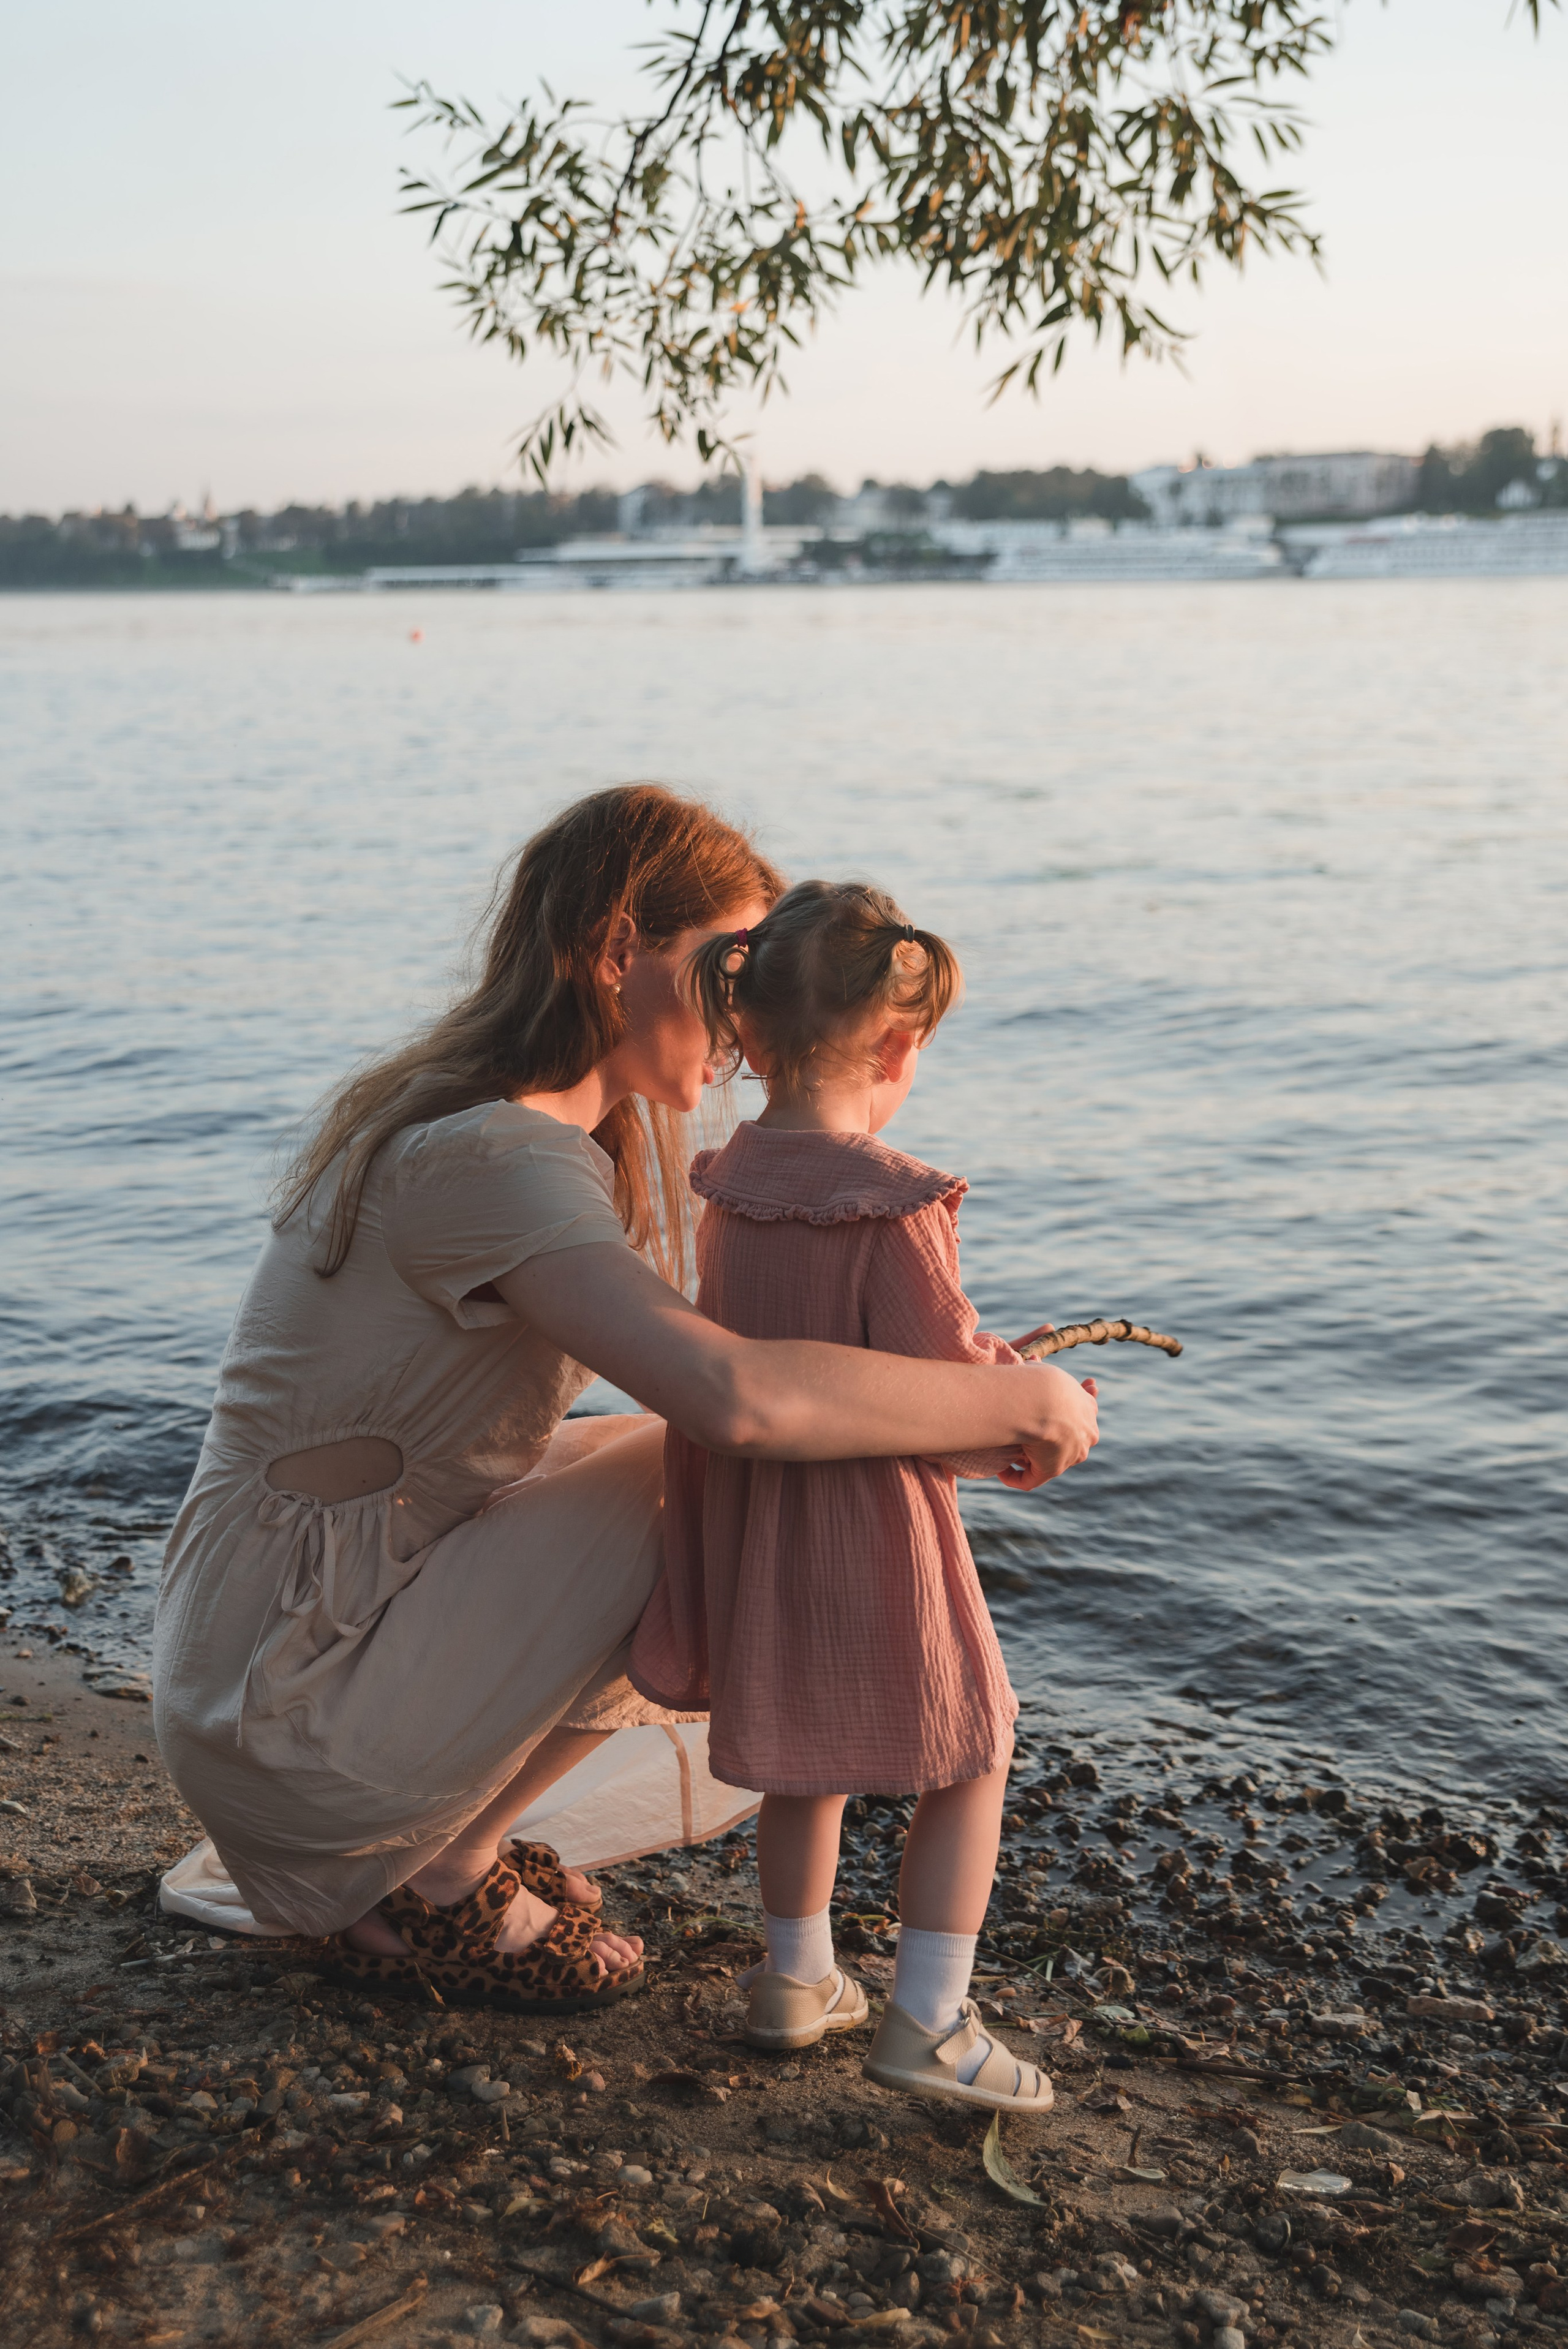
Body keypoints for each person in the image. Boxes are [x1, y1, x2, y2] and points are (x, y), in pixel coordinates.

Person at [153, 788, 1098, 2016]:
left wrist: (950, 1412)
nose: (744, 1018)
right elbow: (740, 1401)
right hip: (288, 1716)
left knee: (674, 1456)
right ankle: (440, 1865)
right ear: (614, 954)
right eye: (725, 972)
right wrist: (1018, 1396)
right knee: (690, 1472)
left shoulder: (518, 1137)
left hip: (261, 1672)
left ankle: (438, 1849)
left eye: (758, 983)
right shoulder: (494, 1159)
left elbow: (756, 1387)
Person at [630, 881, 1091, 2111]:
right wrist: (1029, 1411)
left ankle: (795, 1979)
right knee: (973, 1747)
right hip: (867, 1522)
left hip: (753, 1519)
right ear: (898, 1044)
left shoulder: (728, 1181)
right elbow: (941, 1406)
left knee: (803, 1759)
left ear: (751, 1033)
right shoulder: (895, 1198)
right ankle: (929, 2022)